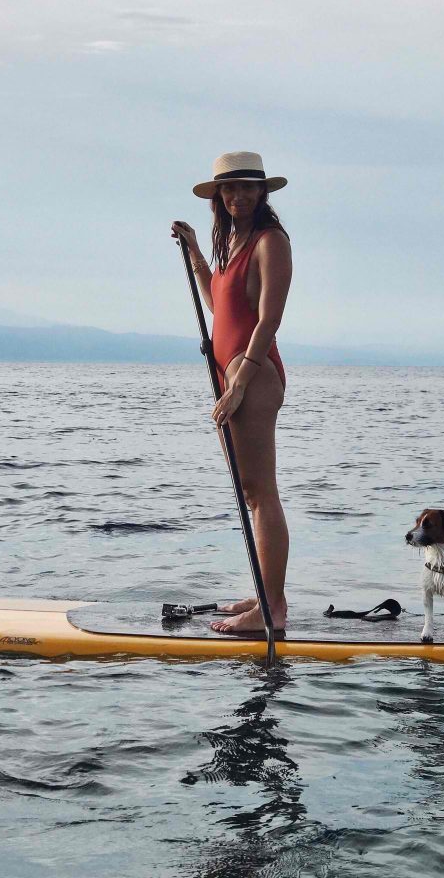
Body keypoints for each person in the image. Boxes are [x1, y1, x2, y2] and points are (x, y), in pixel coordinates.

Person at [171, 151, 293, 633]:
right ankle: (264, 592)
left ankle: (273, 608)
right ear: (218, 197)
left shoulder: (271, 241)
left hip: (254, 374)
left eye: (247, 187)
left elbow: (269, 319)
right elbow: (219, 304)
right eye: (229, 189)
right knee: (250, 493)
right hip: (230, 373)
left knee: (262, 493)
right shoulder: (233, 242)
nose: (238, 196)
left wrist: (240, 381)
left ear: (262, 192)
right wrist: (197, 252)